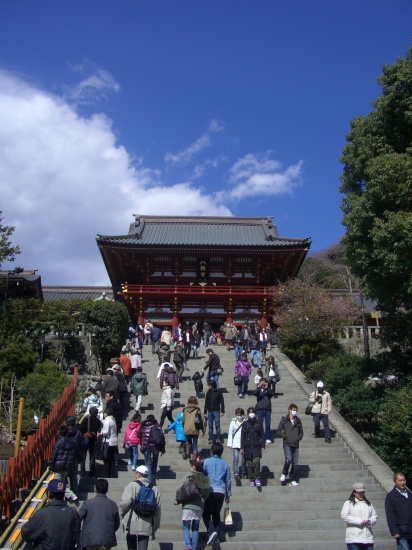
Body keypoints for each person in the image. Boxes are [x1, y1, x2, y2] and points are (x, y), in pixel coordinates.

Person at [21, 479, 80, 550]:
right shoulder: (73, 512)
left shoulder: (42, 513)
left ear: (48, 494)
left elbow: (26, 534)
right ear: (64, 494)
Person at [120, 465, 162, 550]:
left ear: (139, 475)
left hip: (132, 521)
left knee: (131, 542)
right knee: (143, 544)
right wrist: (156, 524)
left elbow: (125, 503)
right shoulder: (154, 488)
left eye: (136, 473)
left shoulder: (132, 485)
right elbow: (158, 508)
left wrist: (122, 514)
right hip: (147, 521)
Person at [174, 457, 210, 550]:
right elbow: (206, 496)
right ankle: (194, 547)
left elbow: (179, 488)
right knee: (195, 528)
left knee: (185, 526)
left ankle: (188, 545)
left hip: (187, 505)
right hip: (198, 506)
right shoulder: (205, 479)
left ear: (194, 467)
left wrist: (177, 499)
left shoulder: (188, 477)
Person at [78, 477, 120, 550]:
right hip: (106, 540)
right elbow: (116, 524)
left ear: (95, 489)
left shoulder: (88, 503)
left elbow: (77, 518)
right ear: (107, 490)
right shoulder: (113, 504)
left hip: (90, 539)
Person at [202, 442, 231, 546]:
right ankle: (217, 537)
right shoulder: (225, 464)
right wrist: (228, 495)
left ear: (211, 451)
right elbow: (228, 481)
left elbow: (202, 475)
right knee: (216, 514)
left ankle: (211, 531)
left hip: (211, 490)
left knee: (205, 514)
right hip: (221, 491)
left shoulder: (206, 462)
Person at [341, 482, 378, 550]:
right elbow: (344, 516)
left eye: (362, 492)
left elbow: (374, 516)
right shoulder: (349, 503)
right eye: (359, 493)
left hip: (368, 537)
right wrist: (360, 521)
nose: (361, 494)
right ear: (354, 493)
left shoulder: (368, 504)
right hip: (354, 538)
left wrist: (370, 521)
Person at [47, 425, 78, 502]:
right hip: (66, 466)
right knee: (62, 481)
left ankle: (69, 494)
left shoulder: (58, 443)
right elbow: (72, 456)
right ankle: (63, 497)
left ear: (59, 432)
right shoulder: (71, 443)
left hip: (58, 466)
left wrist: (51, 467)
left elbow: (54, 456)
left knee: (58, 483)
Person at [276, 404, 303, 486]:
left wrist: (299, 437)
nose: (295, 412)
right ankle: (284, 473)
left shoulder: (298, 421)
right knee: (288, 459)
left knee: (295, 463)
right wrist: (285, 436)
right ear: (289, 410)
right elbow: (278, 430)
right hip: (287, 443)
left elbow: (301, 432)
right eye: (294, 410)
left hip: (295, 444)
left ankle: (292, 479)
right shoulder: (284, 420)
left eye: (296, 410)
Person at [385, 472, 412, 549]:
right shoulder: (391, 497)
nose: (402, 482)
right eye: (400, 481)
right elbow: (390, 515)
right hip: (402, 531)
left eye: (404, 480)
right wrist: (394, 531)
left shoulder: (409, 494)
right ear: (395, 482)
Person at [241, 406, 265, 487]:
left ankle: (257, 478)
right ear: (248, 414)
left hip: (256, 446)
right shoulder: (245, 424)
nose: (251, 414)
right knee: (249, 464)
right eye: (250, 413)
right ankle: (251, 479)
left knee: (256, 461)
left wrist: (263, 445)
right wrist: (242, 447)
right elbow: (242, 436)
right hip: (247, 446)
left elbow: (262, 435)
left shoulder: (259, 423)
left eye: (253, 413)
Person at [138, 414, 165, 483]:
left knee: (147, 463)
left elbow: (139, 434)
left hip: (146, 446)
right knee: (155, 459)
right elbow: (161, 434)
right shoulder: (156, 424)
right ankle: (153, 474)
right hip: (156, 446)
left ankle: (149, 480)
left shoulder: (143, 425)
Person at [80, 406, 102, 478]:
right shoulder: (98, 421)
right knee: (92, 457)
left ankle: (82, 473)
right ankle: (91, 473)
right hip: (93, 440)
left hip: (85, 440)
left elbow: (81, 429)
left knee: (83, 456)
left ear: (89, 412)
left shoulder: (86, 420)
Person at [65, 416, 83, 498]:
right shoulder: (78, 432)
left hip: (64, 457)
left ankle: (63, 494)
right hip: (74, 456)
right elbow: (79, 445)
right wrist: (79, 457)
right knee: (73, 476)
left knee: (62, 476)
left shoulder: (64, 431)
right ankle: (75, 494)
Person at [253, 377, 275, 443]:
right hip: (260, 409)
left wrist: (267, 388)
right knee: (260, 424)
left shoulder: (268, 390)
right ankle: (260, 437)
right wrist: (259, 387)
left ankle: (267, 437)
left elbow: (272, 394)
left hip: (267, 409)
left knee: (267, 424)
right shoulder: (259, 390)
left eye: (264, 383)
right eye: (262, 383)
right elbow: (254, 393)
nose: (263, 384)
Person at [227, 407, 246, 481]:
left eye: (240, 414)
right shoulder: (233, 422)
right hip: (235, 443)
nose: (239, 416)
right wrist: (230, 443)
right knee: (236, 458)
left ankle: (243, 472)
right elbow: (230, 432)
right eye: (238, 414)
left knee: (243, 459)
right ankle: (236, 472)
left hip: (243, 444)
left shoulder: (245, 422)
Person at [99, 408, 118, 478]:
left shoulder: (107, 420)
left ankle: (106, 474)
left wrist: (100, 433)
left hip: (108, 442)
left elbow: (106, 432)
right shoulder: (113, 420)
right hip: (114, 441)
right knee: (111, 459)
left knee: (106, 459)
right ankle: (112, 474)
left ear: (106, 413)